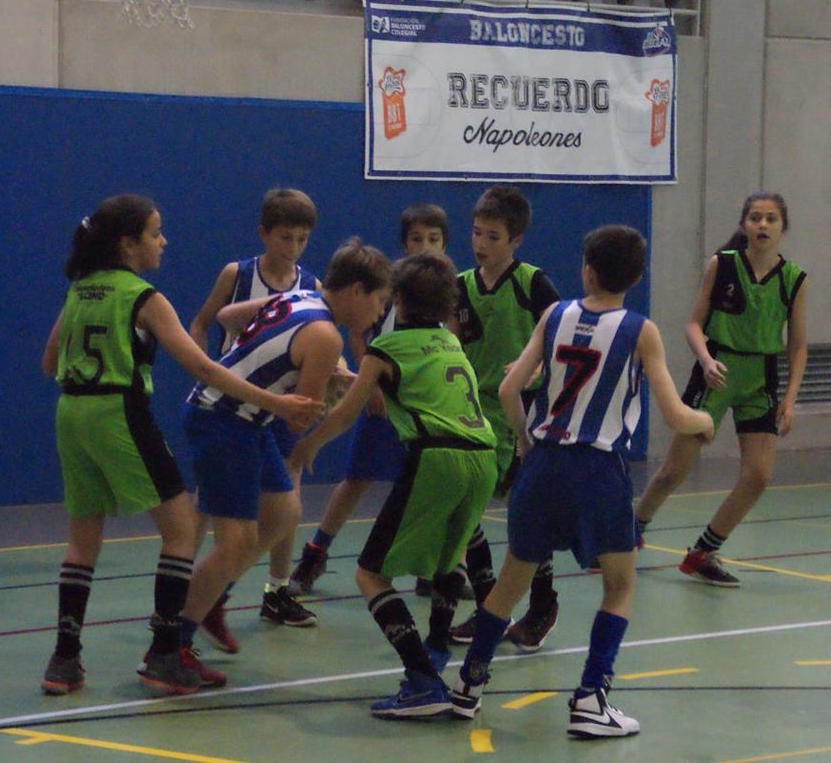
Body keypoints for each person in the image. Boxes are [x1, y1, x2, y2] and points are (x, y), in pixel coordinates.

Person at [38, 194, 322, 697]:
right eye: (155, 233)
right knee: (182, 530)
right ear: (128, 245)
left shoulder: (80, 290)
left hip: (71, 414)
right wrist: (275, 403)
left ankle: (64, 659)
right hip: (120, 412)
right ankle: (166, 652)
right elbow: (203, 367)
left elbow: (49, 362)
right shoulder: (143, 297)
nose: (163, 241)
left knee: (82, 540)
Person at [448, 225, 715, 738]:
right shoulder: (640, 330)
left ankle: (469, 685)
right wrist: (703, 422)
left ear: (586, 270)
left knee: (510, 582)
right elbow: (676, 416)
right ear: (636, 276)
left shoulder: (554, 314)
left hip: (543, 462)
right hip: (597, 469)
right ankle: (592, 698)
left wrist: (526, 443)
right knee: (619, 585)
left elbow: (508, 389)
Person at [289, 252, 499, 719]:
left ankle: (423, 681)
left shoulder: (385, 349)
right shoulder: (451, 342)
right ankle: (437, 648)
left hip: (437, 457)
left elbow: (347, 412)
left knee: (370, 574)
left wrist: (308, 446)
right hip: (483, 456)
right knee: (449, 559)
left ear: (397, 300)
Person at [177, 238, 393, 682]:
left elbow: (231, 318)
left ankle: (212, 598)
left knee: (283, 513)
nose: (378, 314)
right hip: (224, 419)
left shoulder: (301, 296)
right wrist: (343, 389)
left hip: (244, 418)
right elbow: (299, 416)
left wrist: (306, 368)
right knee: (236, 542)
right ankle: (170, 643)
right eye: (378, 302)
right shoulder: (326, 335)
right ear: (356, 291)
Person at [634, 192, 807, 586]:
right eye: (755, 217)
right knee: (673, 471)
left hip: (760, 378)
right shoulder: (723, 264)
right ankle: (630, 529)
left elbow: (797, 344)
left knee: (758, 475)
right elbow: (693, 323)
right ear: (744, 224)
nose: (763, 224)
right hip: (718, 371)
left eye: (771, 218)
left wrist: (790, 398)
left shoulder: (795, 279)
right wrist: (706, 361)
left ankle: (702, 553)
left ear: (783, 227)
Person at [289, 203, 450, 596]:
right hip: (385, 398)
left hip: (425, 407)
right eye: (417, 238)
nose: (425, 246)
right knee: (356, 479)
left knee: (433, 488)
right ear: (405, 243)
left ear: (445, 244)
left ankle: (432, 567)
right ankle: (315, 553)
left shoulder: (447, 289)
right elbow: (360, 334)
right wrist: (372, 383)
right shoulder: (390, 287)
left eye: (433, 239)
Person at [187, 188, 323, 650]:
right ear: (264, 234)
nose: (294, 248)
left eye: (303, 239)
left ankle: (275, 589)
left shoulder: (309, 285)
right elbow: (204, 321)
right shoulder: (239, 274)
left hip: (279, 405)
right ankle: (184, 590)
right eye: (285, 237)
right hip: (234, 403)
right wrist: (207, 367)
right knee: (211, 504)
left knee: (286, 504)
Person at [447, 186, 562, 652]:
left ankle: (543, 604)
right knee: (463, 509)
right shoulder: (459, 285)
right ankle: (490, 603)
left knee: (525, 513)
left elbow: (559, 341)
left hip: (522, 411)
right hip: (473, 411)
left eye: (492, 236)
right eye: (476, 233)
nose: (481, 243)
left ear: (516, 240)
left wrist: (534, 367)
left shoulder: (533, 284)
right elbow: (450, 344)